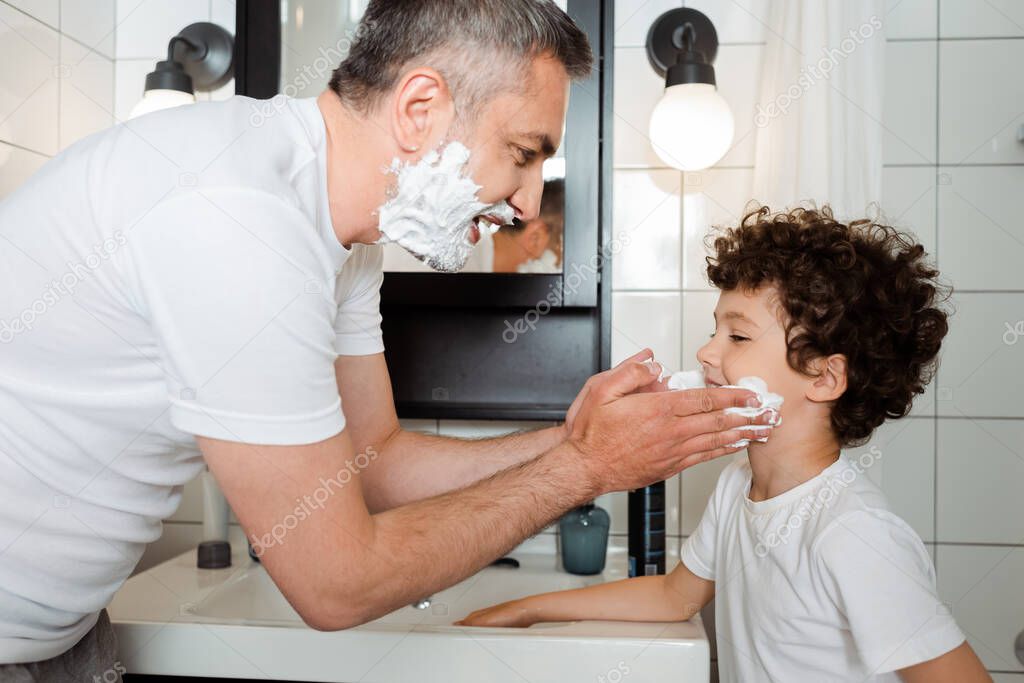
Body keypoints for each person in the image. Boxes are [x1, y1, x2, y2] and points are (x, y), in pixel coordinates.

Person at [0, 1, 775, 679]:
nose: (529, 201)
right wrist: (585, 468)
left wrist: (572, 439)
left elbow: (376, 462)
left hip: (65, 629)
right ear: (419, 107)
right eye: (523, 153)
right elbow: (335, 583)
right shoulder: (239, 218)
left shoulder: (343, 239)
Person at [457, 207, 991, 683]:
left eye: (737, 336)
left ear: (825, 379)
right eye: (716, 330)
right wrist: (527, 609)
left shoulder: (854, 532)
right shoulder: (740, 485)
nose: (706, 352)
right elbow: (674, 598)